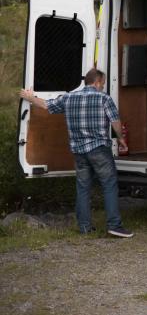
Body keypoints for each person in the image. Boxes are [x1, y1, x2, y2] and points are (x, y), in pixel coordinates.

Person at [20, 69, 134, 238]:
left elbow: (46, 105)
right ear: (96, 82)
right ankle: (114, 225)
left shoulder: (68, 98)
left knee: (83, 188)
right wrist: (121, 139)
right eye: (102, 83)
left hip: (79, 152)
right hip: (99, 149)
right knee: (109, 185)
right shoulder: (104, 98)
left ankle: (85, 227)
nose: (103, 86)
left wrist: (29, 97)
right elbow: (115, 121)